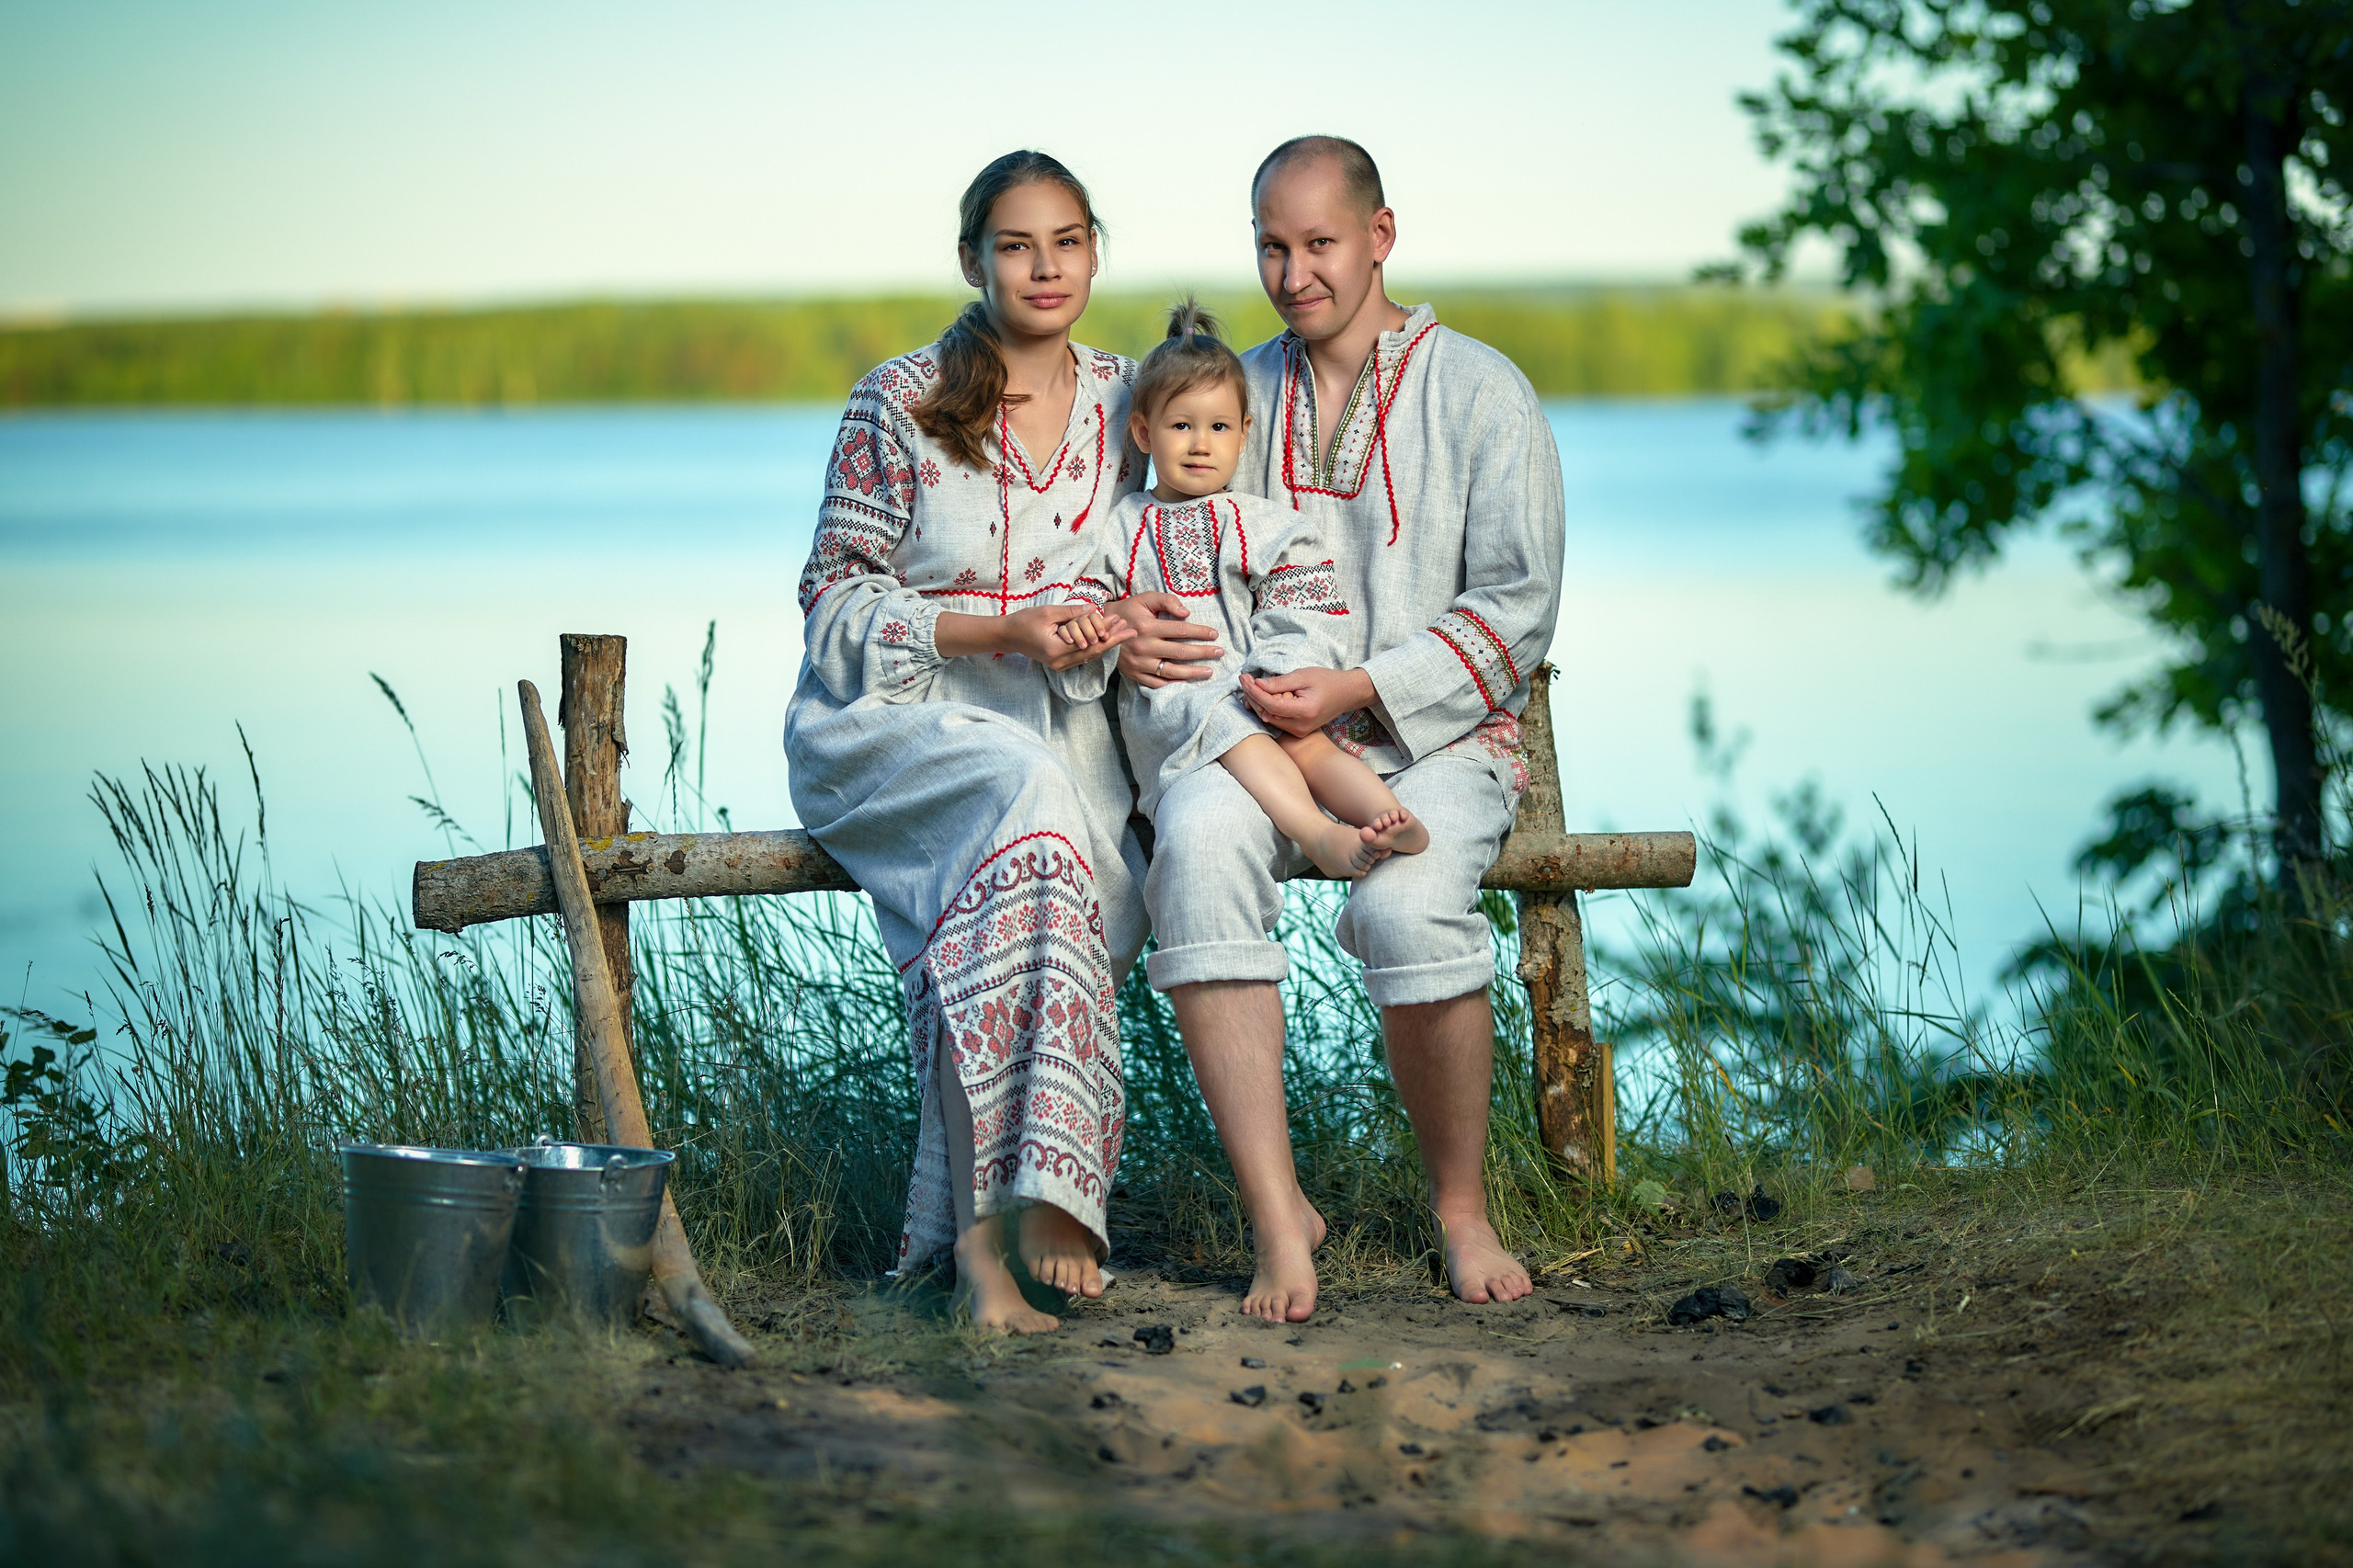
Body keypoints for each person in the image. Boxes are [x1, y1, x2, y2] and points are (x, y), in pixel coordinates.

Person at [1117, 137, 1565, 1322]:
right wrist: (1134, 630)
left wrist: (1359, 687)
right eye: (1271, 243)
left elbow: (1518, 604)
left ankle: (1460, 1209)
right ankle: (1281, 1221)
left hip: (1438, 734)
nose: (1293, 270)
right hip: (1253, 730)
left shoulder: (1480, 389)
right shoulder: (1233, 390)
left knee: (1401, 902)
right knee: (1198, 854)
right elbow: (1147, 520)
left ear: (1380, 235)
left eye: (1319, 242)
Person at [784, 150, 1149, 1335]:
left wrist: (1123, 618)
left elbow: (1176, 550)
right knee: (1024, 813)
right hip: (889, 721)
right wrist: (1001, 626)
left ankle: (989, 1233)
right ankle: (1005, 1246)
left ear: (1095, 250)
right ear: (970, 259)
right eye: (1014, 244)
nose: (1044, 268)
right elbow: (832, 603)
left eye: (1066, 242)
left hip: (1063, 718)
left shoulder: (1129, 398)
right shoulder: (898, 397)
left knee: (1062, 856)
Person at [1051, 300, 1428, 880]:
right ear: (1144, 432)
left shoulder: (1253, 520)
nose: (1201, 444)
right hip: (1178, 702)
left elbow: (1305, 590)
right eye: (1182, 426)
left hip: (1249, 683)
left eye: (1219, 427)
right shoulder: (1126, 524)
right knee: (1231, 723)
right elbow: (1088, 595)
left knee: (1308, 743)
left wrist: (1279, 671)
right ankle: (1320, 834)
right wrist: (1094, 616)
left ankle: (1391, 815)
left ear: (1244, 432)